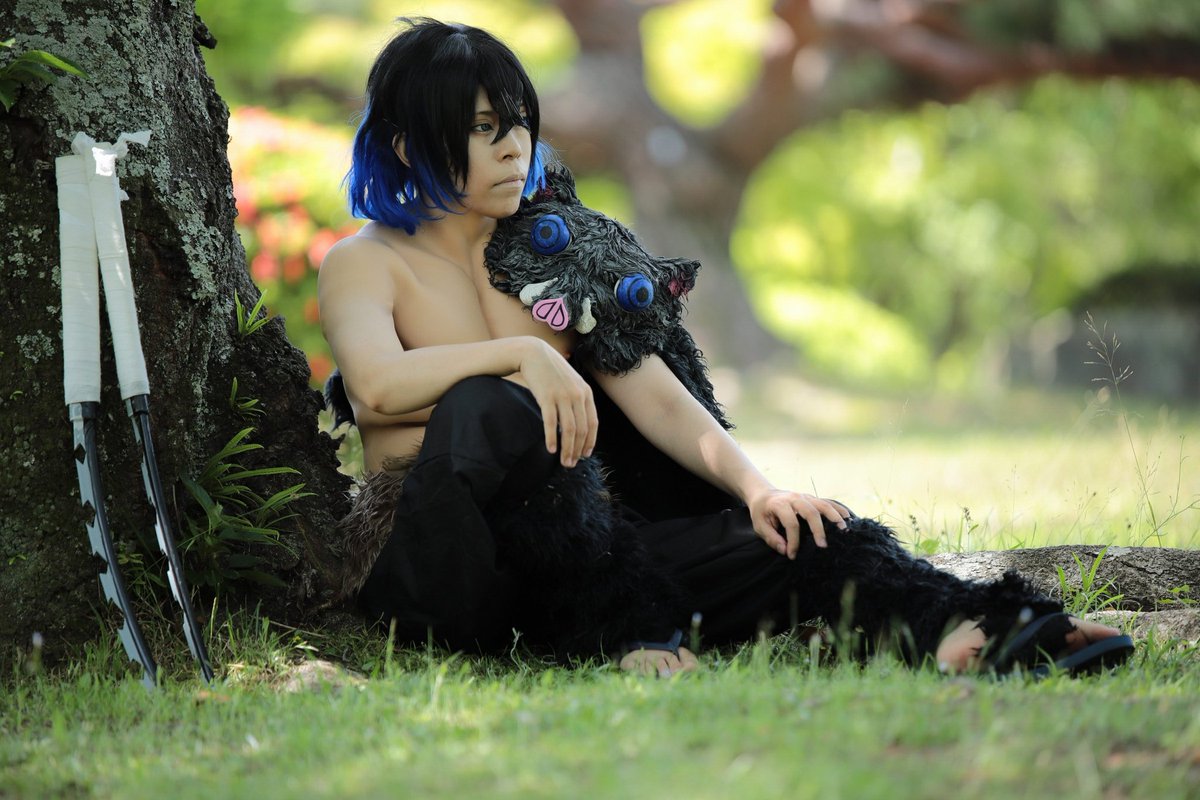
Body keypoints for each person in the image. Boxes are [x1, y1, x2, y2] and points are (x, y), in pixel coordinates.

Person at [318, 18, 1130, 677]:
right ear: (407, 145)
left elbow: (654, 394)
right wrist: (525, 358)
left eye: (519, 124)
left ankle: (976, 627)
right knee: (491, 406)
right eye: (482, 129)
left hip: (579, 561)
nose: (513, 147)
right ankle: (629, 631)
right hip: (445, 570)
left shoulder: (550, 253)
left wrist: (759, 490)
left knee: (804, 535)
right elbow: (379, 386)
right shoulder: (367, 263)